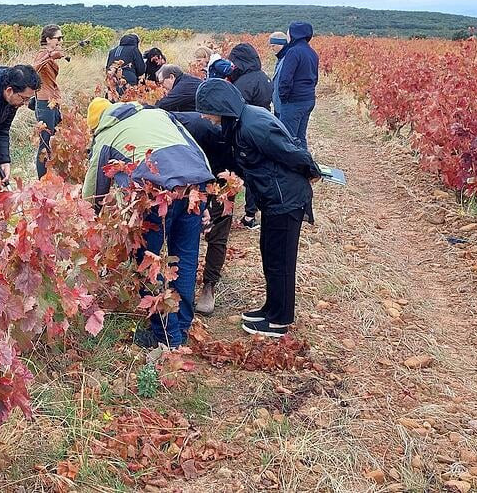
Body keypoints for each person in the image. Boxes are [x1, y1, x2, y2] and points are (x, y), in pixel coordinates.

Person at [195, 78, 322, 338]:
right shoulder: (240, 122)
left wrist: (311, 171)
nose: (205, 117)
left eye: (207, 110)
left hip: (286, 200)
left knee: (281, 261)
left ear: (220, 106)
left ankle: (279, 320)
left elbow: (290, 151)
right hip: (273, 199)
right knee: (269, 255)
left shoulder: (253, 125)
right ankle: (270, 308)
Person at [83, 98, 214, 348]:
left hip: (152, 195)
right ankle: (182, 326)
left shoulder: (107, 135)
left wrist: (91, 221)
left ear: (96, 125)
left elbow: (94, 190)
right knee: (184, 259)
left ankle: (167, 337)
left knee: (149, 264)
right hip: (192, 187)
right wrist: (203, 202)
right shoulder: (159, 115)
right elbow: (197, 152)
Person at [170, 111, 236, 316]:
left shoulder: (199, 130)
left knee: (217, 231)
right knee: (182, 231)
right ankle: (178, 286)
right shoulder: (162, 131)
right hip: (190, 177)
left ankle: (209, 286)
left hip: (222, 172)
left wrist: (209, 198)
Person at [226, 42, 276, 229]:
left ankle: (249, 215)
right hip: (262, 127)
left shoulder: (245, 82)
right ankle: (252, 213)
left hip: (247, 131)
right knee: (257, 170)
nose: (232, 66)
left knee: (248, 171)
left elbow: (236, 108)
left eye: (234, 62)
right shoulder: (263, 77)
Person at [275, 22, 319, 149]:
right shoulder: (312, 53)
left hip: (294, 101)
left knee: (287, 139)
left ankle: (290, 167)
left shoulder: (293, 52)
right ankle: (304, 166)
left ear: (295, 34)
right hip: (308, 99)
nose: (287, 35)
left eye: (289, 32)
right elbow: (315, 78)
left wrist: (283, 98)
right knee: (300, 137)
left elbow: (285, 79)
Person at [33, 24, 67, 178]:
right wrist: (50, 57)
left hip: (53, 102)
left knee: (53, 140)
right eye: (58, 38)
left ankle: (51, 175)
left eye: (62, 38)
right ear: (48, 39)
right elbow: (33, 70)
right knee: (45, 144)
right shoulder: (42, 54)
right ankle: (42, 181)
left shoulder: (51, 53)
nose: (61, 41)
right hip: (44, 103)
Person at [267, 31, 289, 116]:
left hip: (283, 105)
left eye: (273, 46)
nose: (272, 48)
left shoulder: (287, 59)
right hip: (279, 104)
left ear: (281, 44)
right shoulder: (281, 58)